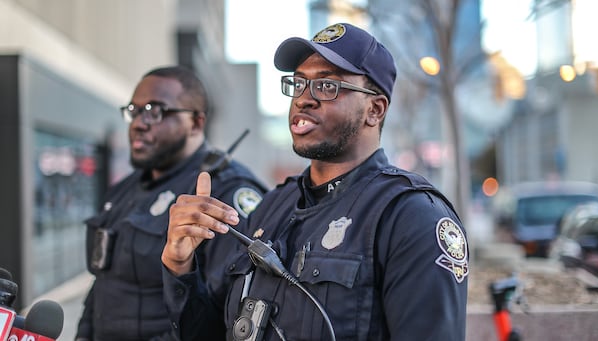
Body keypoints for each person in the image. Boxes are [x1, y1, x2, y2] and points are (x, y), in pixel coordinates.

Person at [161, 23, 469, 340]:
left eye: (326, 86)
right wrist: (179, 264)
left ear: (374, 110)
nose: (303, 99)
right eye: (299, 84)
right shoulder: (272, 207)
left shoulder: (411, 216)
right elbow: (212, 332)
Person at [75, 65, 267, 341]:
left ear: (196, 123)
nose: (139, 123)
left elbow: (224, 316)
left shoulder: (225, 193)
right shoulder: (124, 190)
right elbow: (103, 284)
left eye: (156, 111)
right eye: (134, 111)